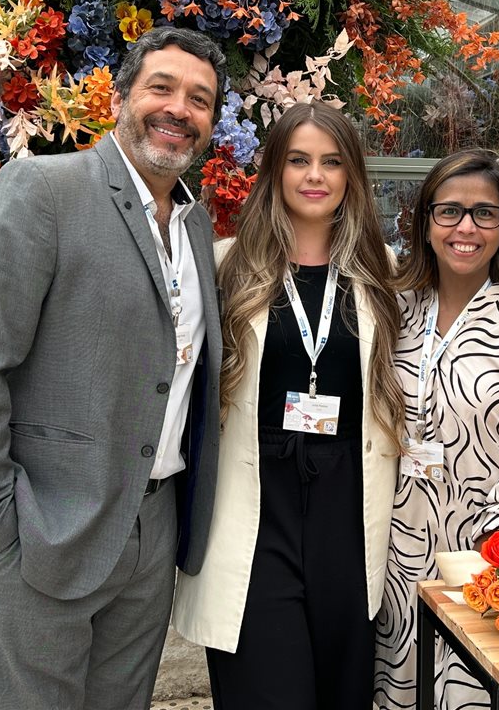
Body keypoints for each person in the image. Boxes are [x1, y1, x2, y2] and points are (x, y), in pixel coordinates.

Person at [0, 27, 225, 710]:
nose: (180, 108)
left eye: (200, 98)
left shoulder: (196, 226)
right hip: (44, 532)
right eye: (162, 87)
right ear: (120, 97)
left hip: (153, 532)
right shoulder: (42, 189)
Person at [171, 102, 403, 710]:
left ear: (351, 174)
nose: (314, 176)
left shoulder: (382, 274)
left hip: (346, 516)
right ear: (274, 170)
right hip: (254, 510)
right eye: (298, 160)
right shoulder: (224, 266)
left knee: (342, 694)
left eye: (331, 162)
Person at [373, 149, 499, 710]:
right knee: (402, 685)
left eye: (485, 213)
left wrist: (488, 556)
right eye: (450, 211)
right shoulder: (391, 314)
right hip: (395, 556)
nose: (466, 227)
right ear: (424, 223)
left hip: (490, 562)